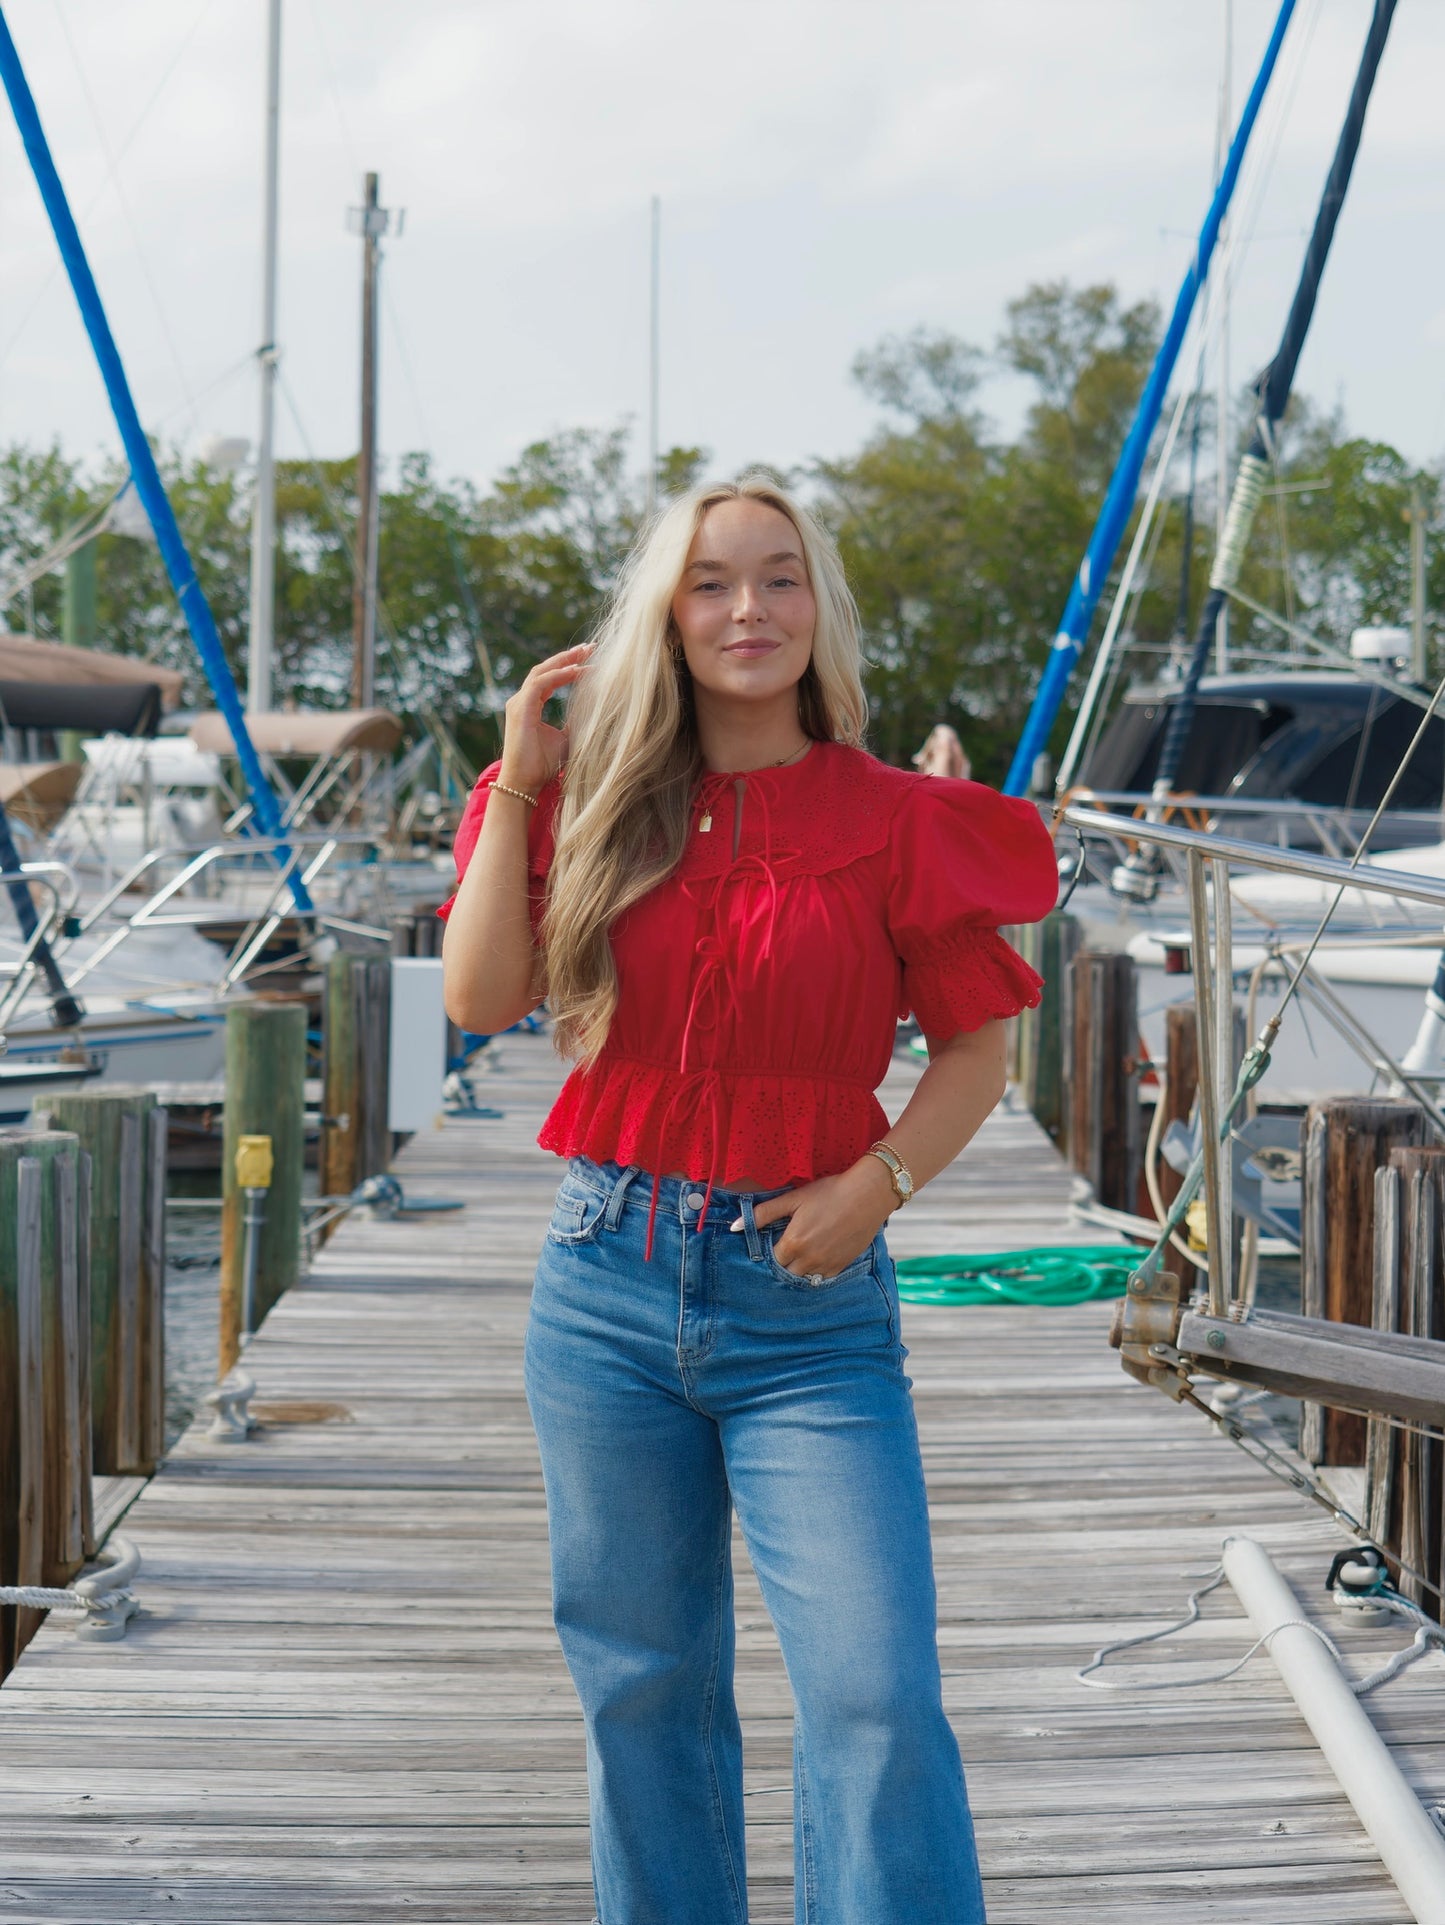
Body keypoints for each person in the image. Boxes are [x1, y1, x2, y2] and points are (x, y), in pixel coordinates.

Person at [440, 476, 1058, 1924]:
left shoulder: (894, 818)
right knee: (642, 1685)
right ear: (666, 610)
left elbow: (976, 1048)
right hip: (603, 1280)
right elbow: (481, 996)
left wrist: (881, 1179)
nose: (747, 611)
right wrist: (523, 775)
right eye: (713, 582)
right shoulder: (590, 799)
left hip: (810, 1307)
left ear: (818, 610)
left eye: (780, 580)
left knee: (873, 1689)